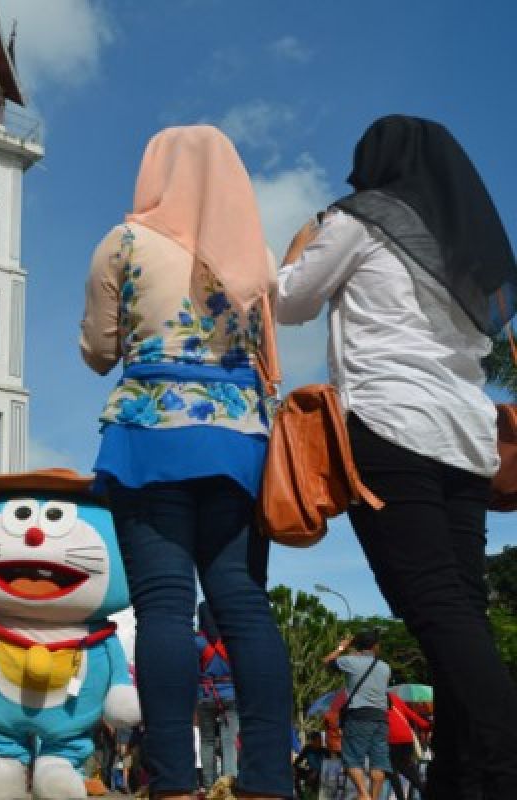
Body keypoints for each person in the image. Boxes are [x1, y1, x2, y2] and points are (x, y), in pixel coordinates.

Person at [277, 115, 517, 800]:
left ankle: (503, 761)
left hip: (390, 424)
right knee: (459, 609)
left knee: (435, 607)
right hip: (467, 440)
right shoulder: (464, 245)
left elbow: (291, 300)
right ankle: (466, 780)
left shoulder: (365, 216)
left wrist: (301, 243)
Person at [80, 124, 293, 800]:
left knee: (165, 609)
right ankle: (267, 779)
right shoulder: (252, 251)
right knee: (245, 607)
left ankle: (172, 781)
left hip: (150, 437)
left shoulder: (125, 243)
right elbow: (263, 355)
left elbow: (98, 351)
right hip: (239, 443)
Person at [323, 631, 391, 800]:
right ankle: (374, 798)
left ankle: (363, 794)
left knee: (352, 758)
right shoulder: (385, 667)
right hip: (381, 718)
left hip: (359, 716)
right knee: (379, 762)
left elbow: (326, 662)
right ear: (375, 647)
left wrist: (342, 647)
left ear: (356, 645)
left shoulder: (350, 661)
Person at [195, 602, 238, 787]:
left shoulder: (197, 641)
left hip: (205, 696)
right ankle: (228, 784)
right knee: (230, 741)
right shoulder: (230, 640)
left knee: (207, 741)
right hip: (230, 695)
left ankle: (208, 783)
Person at [385, 692, 429, 800]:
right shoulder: (393, 697)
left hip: (391, 739)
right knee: (408, 768)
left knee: (391, 771)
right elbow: (410, 714)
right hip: (407, 738)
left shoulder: (372, 699)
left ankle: (401, 797)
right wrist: (426, 725)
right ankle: (426, 792)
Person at [293, 731, 329, 800]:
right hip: (310, 771)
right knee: (295, 773)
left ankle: (316, 793)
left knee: (316, 778)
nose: (320, 743)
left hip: (321, 773)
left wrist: (317, 771)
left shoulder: (324, 751)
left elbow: (328, 765)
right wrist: (294, 767)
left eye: (321, 741)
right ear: (312, 741)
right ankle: (300, 795)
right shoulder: (307, 749)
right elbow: (298, 760)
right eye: (318, 741)